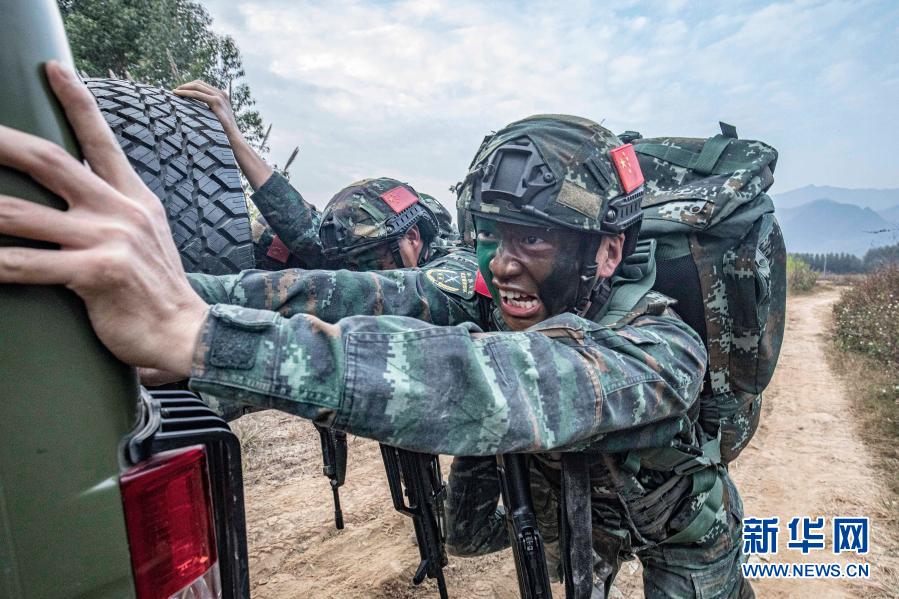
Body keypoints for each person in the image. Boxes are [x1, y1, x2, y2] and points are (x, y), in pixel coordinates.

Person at [0, 62, 748, 597]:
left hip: (679, 533)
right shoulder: (483, 283)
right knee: (513, 548)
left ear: (607, 252)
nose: (502, 264)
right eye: (492, 236)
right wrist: (171, 292)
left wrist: (204, 338)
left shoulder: (660, 349)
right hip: (570, 507)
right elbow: (349, 292)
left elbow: (487, 386)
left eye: (533, 240)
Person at [173, 81, 460, 271]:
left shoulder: (454, 274)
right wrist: (233, 136)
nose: (355, 275)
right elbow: (302, 228)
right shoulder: (370, 245)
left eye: (365, 265)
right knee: (272, 240)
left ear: (412, 239)